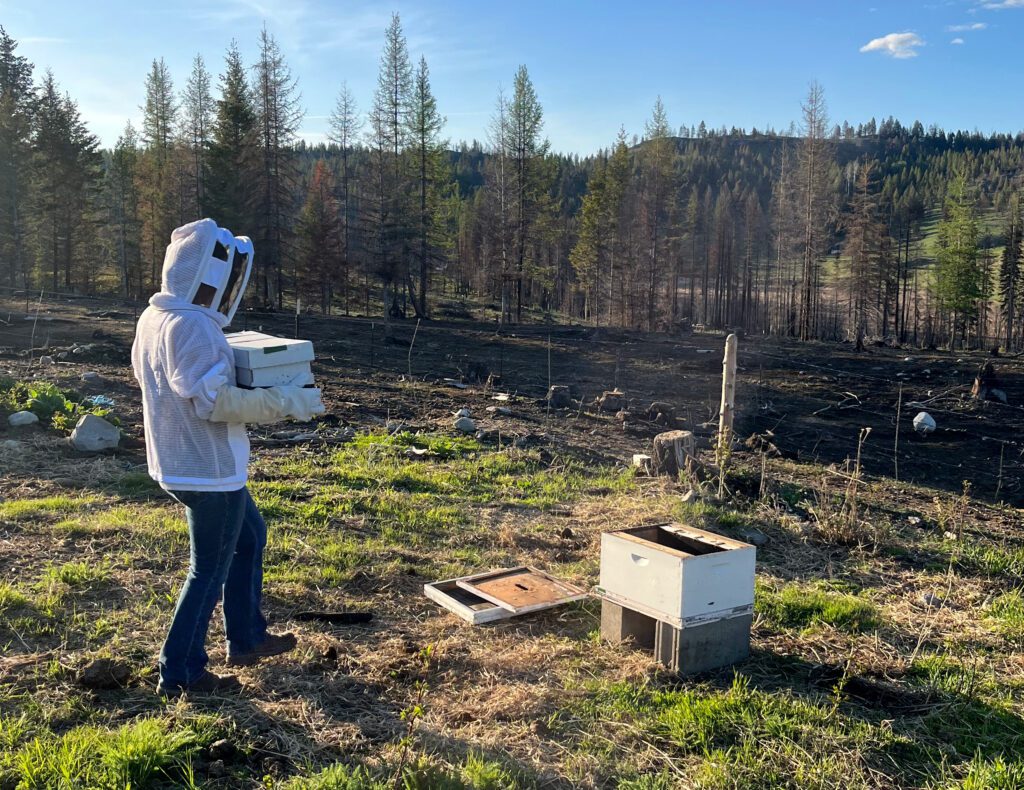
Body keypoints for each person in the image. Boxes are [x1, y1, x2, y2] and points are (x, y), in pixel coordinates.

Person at [132, 219, 324, 696]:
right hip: (207, 469)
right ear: (210, 277)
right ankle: (181, 673)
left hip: (182, 462)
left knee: (250, 537)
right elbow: (215, 402)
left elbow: (173, 385)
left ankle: (247, 636)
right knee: (208, 571)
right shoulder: (193, 326)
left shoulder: (156, 317)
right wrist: (288, 400)